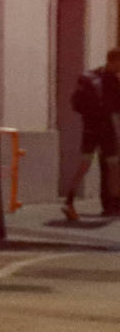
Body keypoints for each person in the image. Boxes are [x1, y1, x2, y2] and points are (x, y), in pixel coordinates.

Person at [61, 47, 120, 220]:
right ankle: (114, 206)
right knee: (114, 167)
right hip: (106, 128)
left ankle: (69, 201)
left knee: (84, 165)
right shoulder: (113, 80)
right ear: (114, 61)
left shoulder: (89, 77)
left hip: (89, 128)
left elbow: (77, 104)